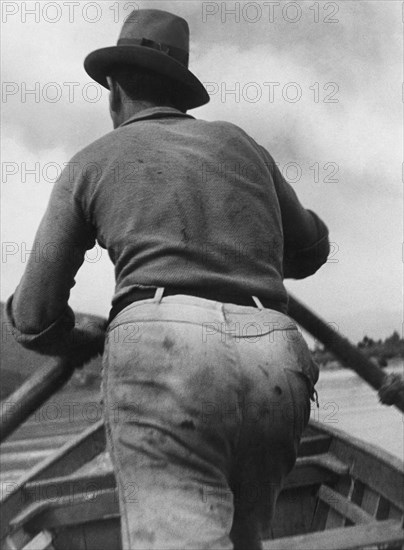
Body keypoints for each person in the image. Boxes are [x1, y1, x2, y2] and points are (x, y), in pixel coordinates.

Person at [6, 8, 329, 550]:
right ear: (181, 89)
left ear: (113, 90)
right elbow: (312, 251)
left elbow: (32, 318)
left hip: (164, 348)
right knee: (247, 539)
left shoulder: (90, 162)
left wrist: (80, 338)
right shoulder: (242, 145)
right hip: (274, 348)